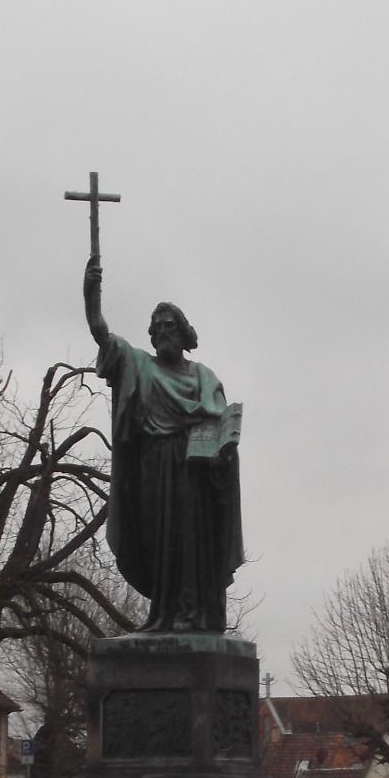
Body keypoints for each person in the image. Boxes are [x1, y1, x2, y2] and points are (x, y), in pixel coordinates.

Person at [83, 255, 243, 631]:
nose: (163, 331)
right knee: (159, 542)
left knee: (190, 546)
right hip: (153, 467)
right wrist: (92, 293)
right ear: (151, 335)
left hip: (193, 474)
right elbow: (100, 332)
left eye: (170, 326)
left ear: (183, 333)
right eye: (157, 327)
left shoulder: (205, 377)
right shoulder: (139, 364)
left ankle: (193, 615)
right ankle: (163, 617)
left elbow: (221, 428)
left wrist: (225, 453)